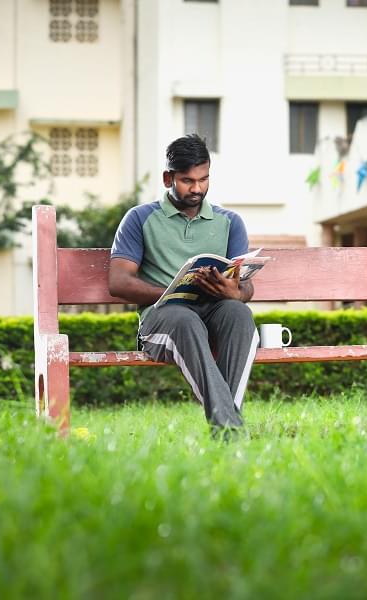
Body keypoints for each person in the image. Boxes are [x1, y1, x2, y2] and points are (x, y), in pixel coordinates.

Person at [108, 134, 258, 434]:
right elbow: (119, 282)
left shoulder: (229, 222)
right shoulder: (139, 218)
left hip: (212, 315)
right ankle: (231, 429)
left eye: (204, 179)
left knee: (239, 314)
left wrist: (235, 292)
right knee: (184, 317)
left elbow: (245, 287)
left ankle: (226, 429)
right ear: (168, 178)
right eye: (187, 181)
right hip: (162, 322)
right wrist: (171, 293)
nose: (197, 188)